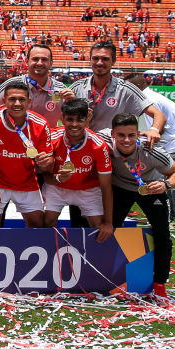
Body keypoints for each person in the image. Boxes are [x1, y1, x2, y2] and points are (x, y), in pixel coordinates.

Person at [101, 113, 175, 300]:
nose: (126, 140)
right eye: (121, 135)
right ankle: (110, 279)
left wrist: (165, 185)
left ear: (138, 134)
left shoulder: (151, 150)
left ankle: (159, 283)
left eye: (131, 135)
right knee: (110, 230)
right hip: (120, 187)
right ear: (112, 134)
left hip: (150, 188)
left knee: (162, 234)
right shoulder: (102, 139)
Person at [126, 74, 175, 232]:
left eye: (130, 87)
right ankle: (172, 217)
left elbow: (157, 130)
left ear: (139, 85)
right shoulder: (150, 97)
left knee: (174, 181)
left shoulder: (149, 100)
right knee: (168, 180)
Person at [0, 82, 51, 228]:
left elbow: (48, 159)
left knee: (38, 225)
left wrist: (47, 161)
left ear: (29, 102)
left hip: (26, 183)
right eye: (12, 99)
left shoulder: (41, 124)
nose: (17, 103)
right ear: (4, 101)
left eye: (21, 99)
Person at [40, 98, 114, 242]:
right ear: (62, 119)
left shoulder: (99, 145)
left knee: (99, 228)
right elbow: (46, 177)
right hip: (57, 187)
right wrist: (58, 178)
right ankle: (51, 257)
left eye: (80, 120)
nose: (74, 124)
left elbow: (106, 186)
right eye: (70, 119)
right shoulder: (52, 137)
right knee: (47, 223)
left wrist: (108, 223)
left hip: (88, 190)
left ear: (87, 120)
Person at [68, 41, 164, 142]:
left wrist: (154, 130)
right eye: (95, 58)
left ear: (113, 61)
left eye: (105, 59)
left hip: (113, 152)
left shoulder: (126, 89)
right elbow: (60, 116)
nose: (99, 62)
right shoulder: (77, 88)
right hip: (82, 148)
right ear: (90, 60)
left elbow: (158, 114)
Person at [0, 44, 73, 128]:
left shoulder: (61, 89)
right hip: (16, 140)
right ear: (27, 61)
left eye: (44, 59)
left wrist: (73, 103)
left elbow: (68, 119)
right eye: (35, 59)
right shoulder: (12, 84)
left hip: (46, 143)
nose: (39, 63)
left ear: (51, 63)